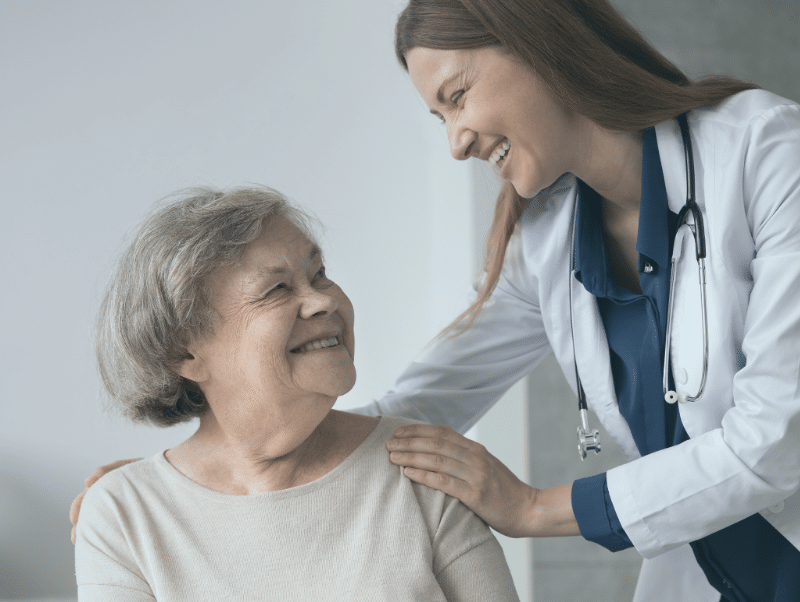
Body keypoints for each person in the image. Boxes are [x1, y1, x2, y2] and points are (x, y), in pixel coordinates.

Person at [71, 1, 800, 600]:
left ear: (539, 40)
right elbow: (426, 401)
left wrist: (533, 507)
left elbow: (778, 440)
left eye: (457, 97)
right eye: (438, 118)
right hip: (712, 575)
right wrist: (191, 476)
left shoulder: (766, 154)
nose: (456, 142)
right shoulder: (547, 240)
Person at [73, 186, 519, 601]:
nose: (323, 301)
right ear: (185, 352)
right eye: (277, 289)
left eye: (319, 274)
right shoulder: (123, 514)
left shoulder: (426, 468)